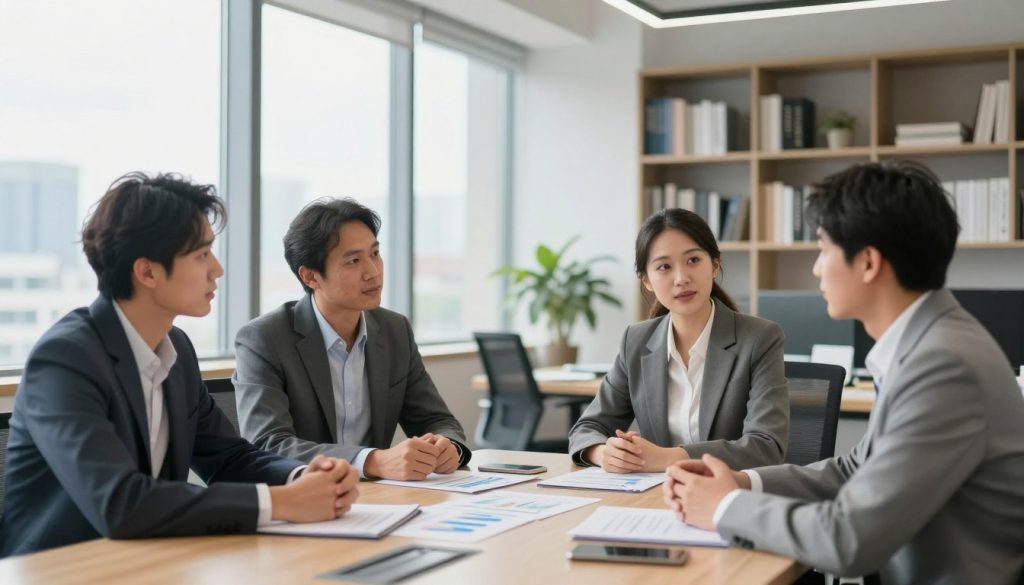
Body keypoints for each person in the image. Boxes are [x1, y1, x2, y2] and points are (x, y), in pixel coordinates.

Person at [663, 161, 1024, 585]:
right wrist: (743, 481)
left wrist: (725, 508)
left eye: (823, 249)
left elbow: (849, 540)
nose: (817, 268)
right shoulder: (929, 343)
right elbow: (856, 468)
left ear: (868, 262)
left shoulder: (944, 365)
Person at [0, 173, 359, 557]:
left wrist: (304, 477)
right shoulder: (65, 359)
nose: (217, 269)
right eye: (202, 254)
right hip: (56, 568)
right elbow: (119, 503)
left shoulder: (177, 350)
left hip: (145, 560)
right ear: (148, 271)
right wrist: (282, 503)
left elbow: (229, 458)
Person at [233, 197, 470, 481]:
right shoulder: (264, 339)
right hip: (304, 501)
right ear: (310, 277)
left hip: (381, 499)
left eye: (375, 254)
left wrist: (448, 447)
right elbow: (269, 443)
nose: (373, 271)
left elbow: (437, 420)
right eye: (354, 261)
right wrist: (371, 461)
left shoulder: (395, 330)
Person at [568, 208, 789, 472]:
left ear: (715, 265)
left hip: (728, 496)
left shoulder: (759, 338)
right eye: (664, 267)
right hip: (656, 497)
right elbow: (587, 428)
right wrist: (603, 453)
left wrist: (666, 458)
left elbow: (765, 447)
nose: (681, 278)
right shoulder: (636, 341)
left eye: (693, 260)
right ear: (646, 280)